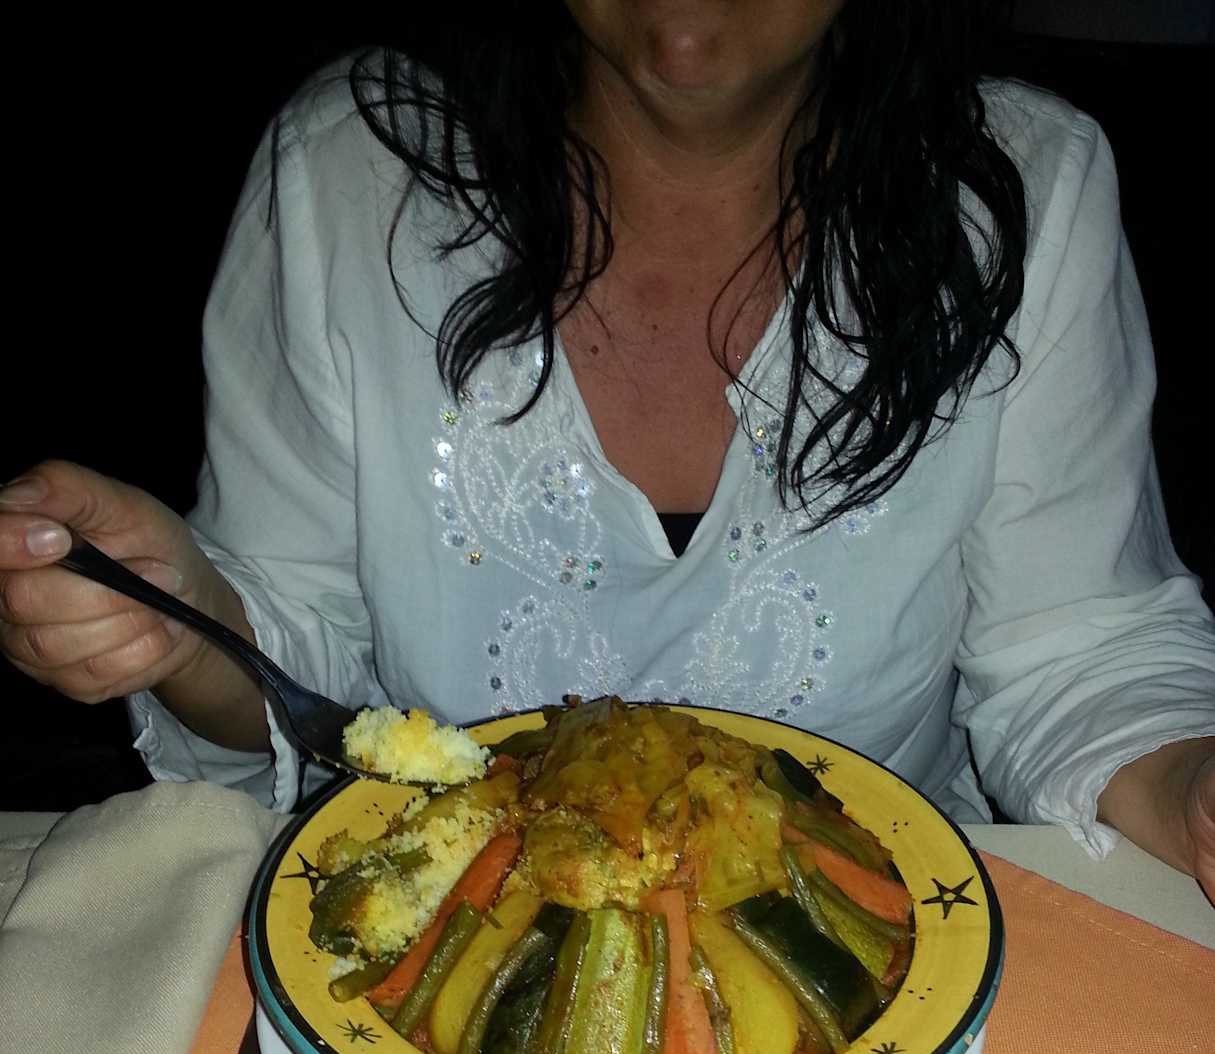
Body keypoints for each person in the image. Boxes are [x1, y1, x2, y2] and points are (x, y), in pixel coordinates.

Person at [1, 2, 1213, 899]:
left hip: (886, 961)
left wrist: (1194, 794)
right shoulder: (343, 173)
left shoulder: (1028, 191)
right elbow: (293, 663)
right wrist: (184, 622)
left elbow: (1079, 647)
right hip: (445, 956)